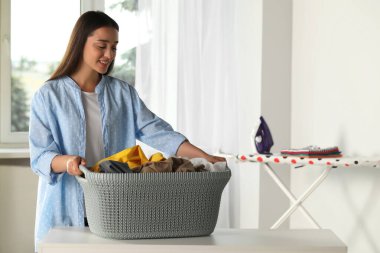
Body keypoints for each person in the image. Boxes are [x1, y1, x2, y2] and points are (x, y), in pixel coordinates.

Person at [29, 11, 225, 251]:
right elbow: (40, 156)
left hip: (115, 207)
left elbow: (158, 131)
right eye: (101, 46)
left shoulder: (123, 94)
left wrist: (203, 156)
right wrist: (69, 163)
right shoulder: (48, 96)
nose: (109, 55)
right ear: (81, 44)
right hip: (67, 206)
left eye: (114, 48)